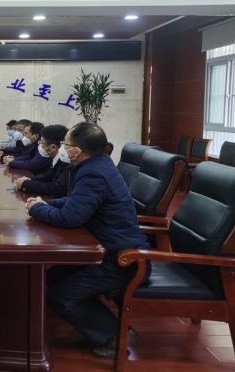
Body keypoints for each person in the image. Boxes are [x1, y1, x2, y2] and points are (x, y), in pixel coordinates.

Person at [25, 122, 150, 359]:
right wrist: (44, 204)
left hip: (122, 259)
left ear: (77, 151)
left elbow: (70, 218)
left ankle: (117, 335)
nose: (63, 149)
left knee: (60, 296)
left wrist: (36, 209)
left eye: (66, 145)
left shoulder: (92, 173)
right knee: (52, 276)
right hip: (108, 249)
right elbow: (75, 201)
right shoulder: (99, 164)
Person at [15, 124, 70, 198]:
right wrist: (28, 179)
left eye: (41, 143)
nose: (40, 146)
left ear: (53, 147)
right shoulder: (57, 158)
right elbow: (49, 175)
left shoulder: (67, 161)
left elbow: (57, 188)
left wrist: (26, 184)